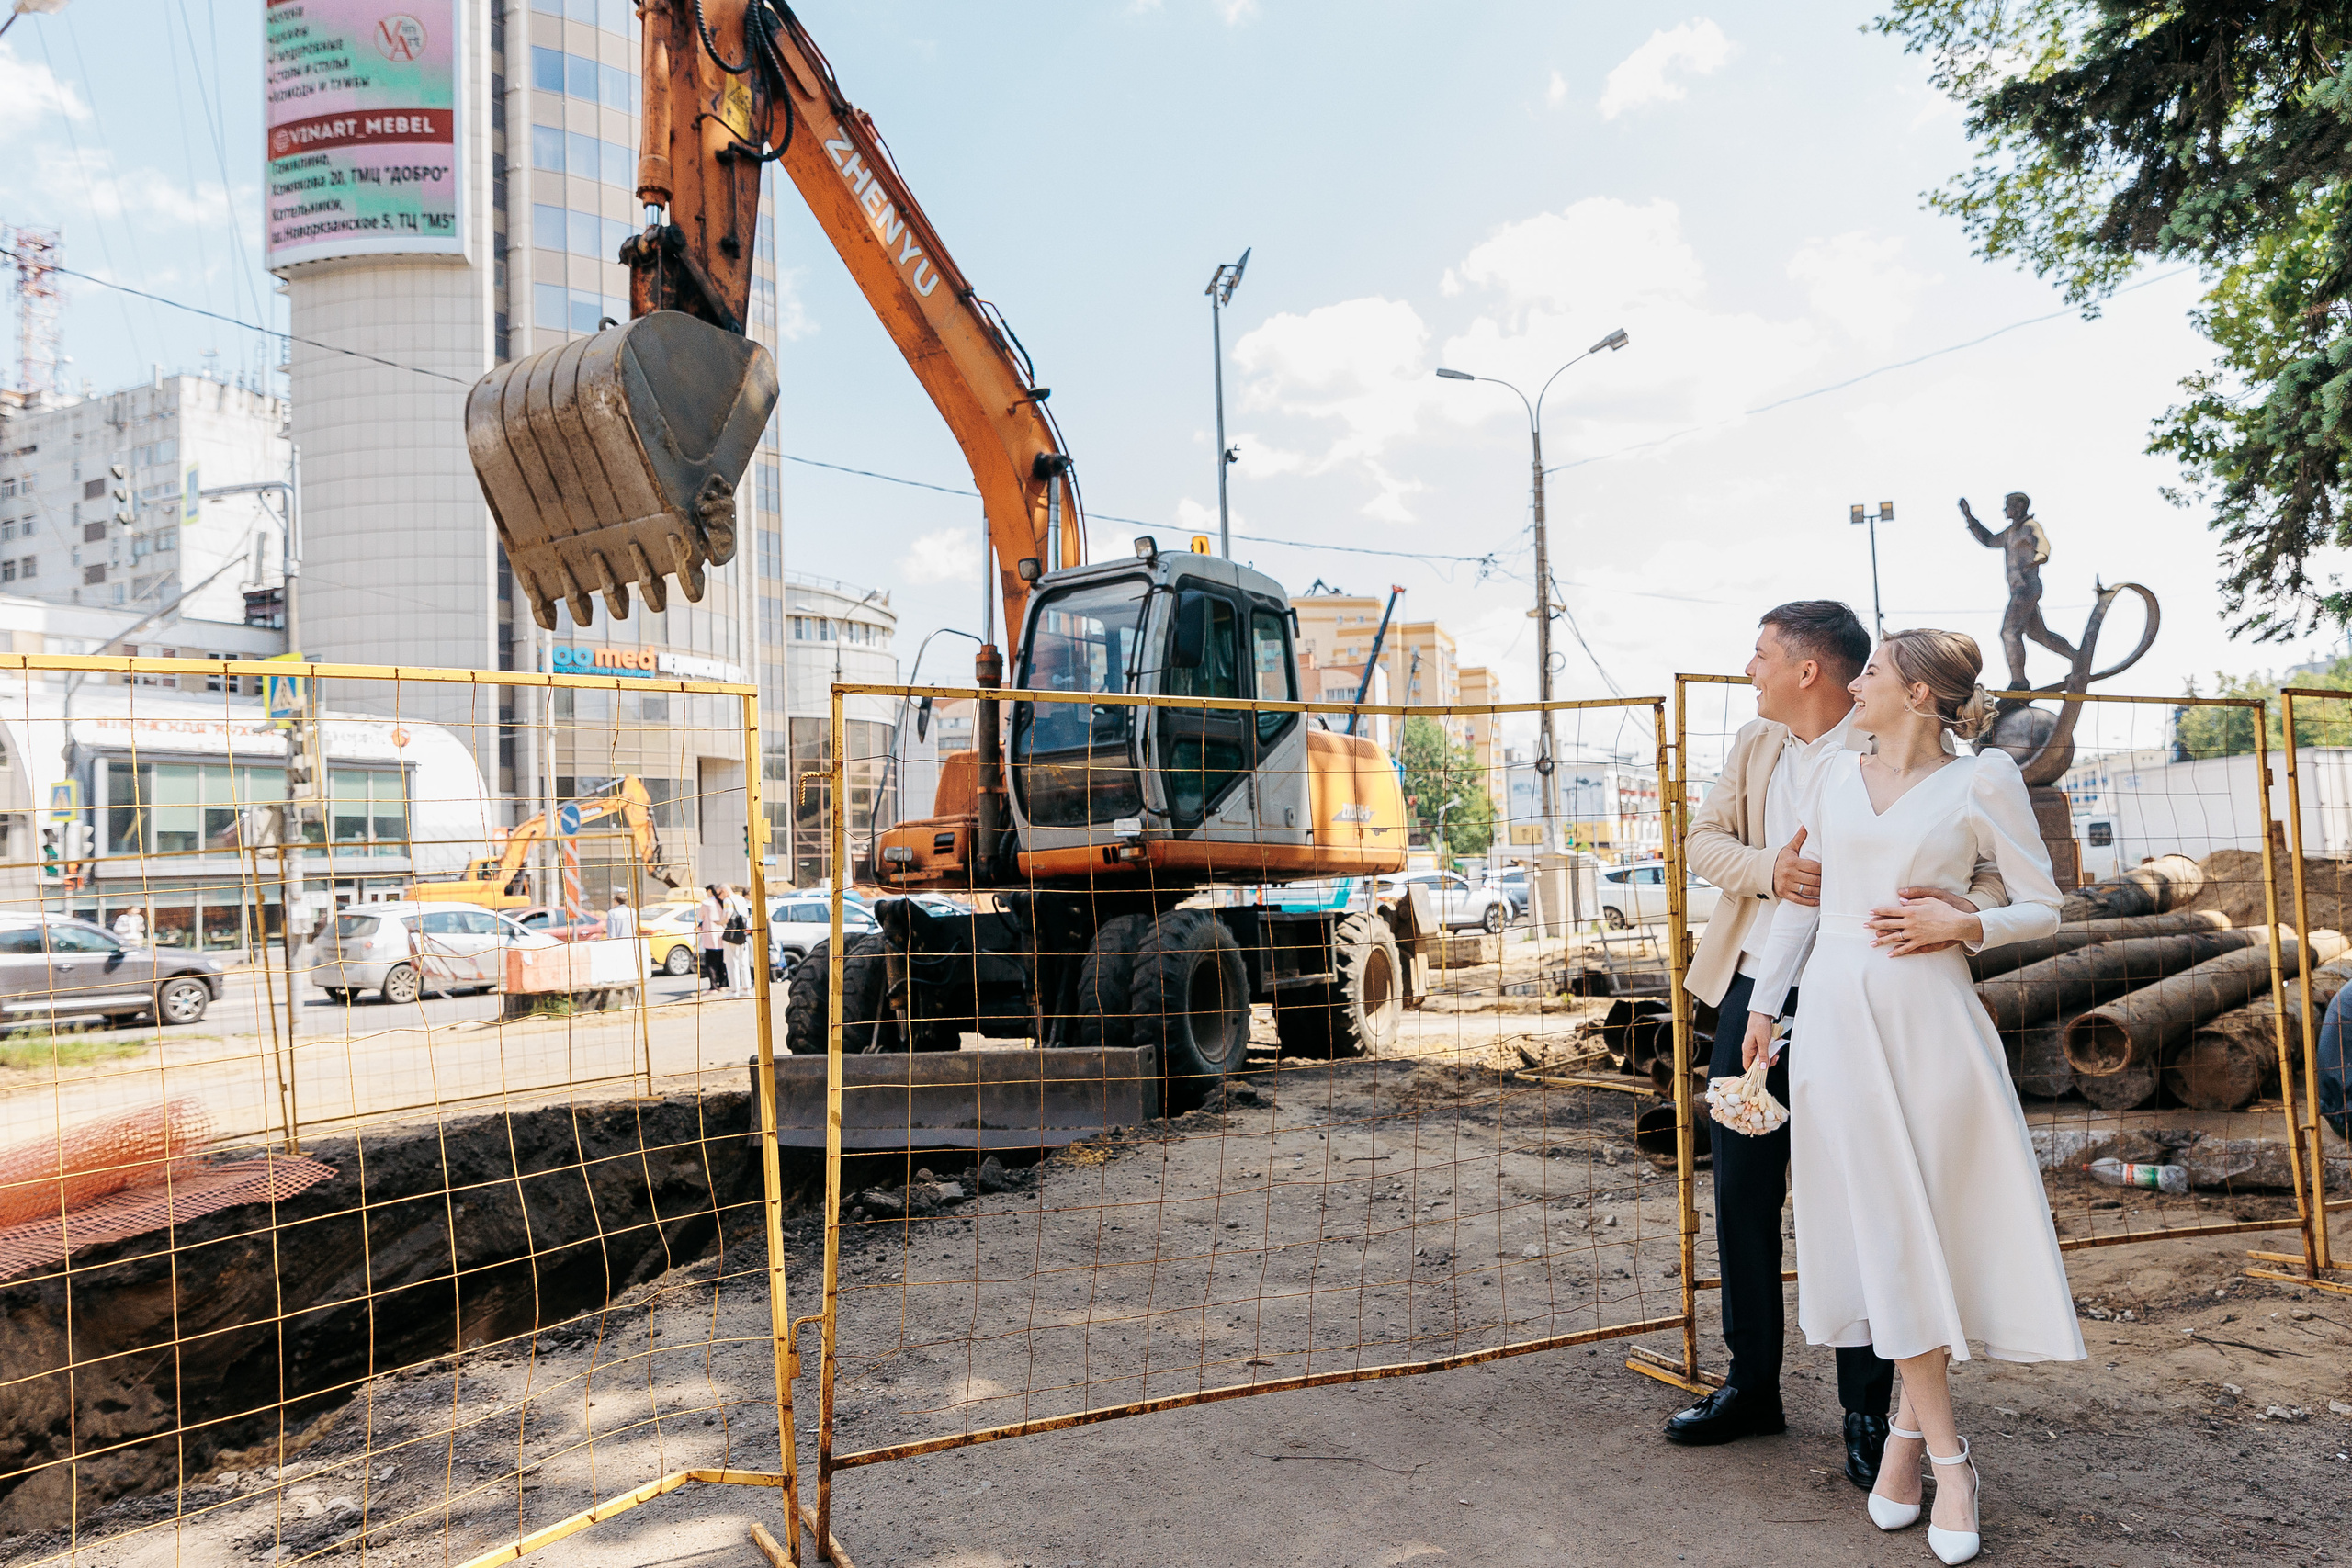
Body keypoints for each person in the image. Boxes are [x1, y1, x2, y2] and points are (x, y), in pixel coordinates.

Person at [1740, 628, 2085, 1564]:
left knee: (1915, 1227)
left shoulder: (1982, 781)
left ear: (1921, 693)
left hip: (1931, 1023)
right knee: (1882, 1229)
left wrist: (1961, 920)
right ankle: (1942, 1455)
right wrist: (1766, 1005)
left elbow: (2044, 904)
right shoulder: (1831, 774)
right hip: (1834, 1022)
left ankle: (1920, 1445)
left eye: (1874, 672)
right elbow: (1804, 899)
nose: (1856, 683)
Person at [1670, 601, 2007, 1494]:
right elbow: (1701, 841)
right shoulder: (1756, 744)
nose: (1750, 669)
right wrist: (1769, 871)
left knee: (1864, 1200)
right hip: (1756, 986)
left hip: (1865, 995)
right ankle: (1750, 1385)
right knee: (1741, 1193)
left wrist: (1958, 915)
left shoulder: (1886, 750)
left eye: (1760, 655)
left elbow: (1985, 874)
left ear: (1807, 668)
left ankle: (1869, 1411)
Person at [720, 883, 753, 993]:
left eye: (719, 893)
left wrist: (719, 922)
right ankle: (746, 988)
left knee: (731, 963)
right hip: (742, 934)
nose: (719, 896)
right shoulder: (740, 898)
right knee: (744, 962)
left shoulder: (727, 900)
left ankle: (734, 990)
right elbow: (747, 915)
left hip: (731, 935)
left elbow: (727, 917)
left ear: (724, 891)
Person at [697, 884, 727, 992]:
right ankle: (723, 984)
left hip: (709, 936)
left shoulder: (706, 903)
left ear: (709, 891)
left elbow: (701, 916)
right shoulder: (722, 902)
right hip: (721, 935)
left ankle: (713, 986)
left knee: (710, 963)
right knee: (722, 962)